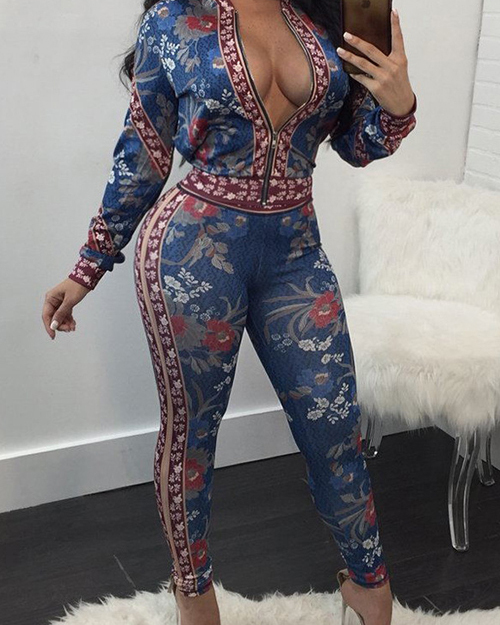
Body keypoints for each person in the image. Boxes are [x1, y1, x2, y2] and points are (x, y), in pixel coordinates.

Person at [42, 1, 417, 624]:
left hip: (296, 254)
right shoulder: (173, 19)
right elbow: (143, 155)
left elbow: (355, 145)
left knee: (335, 426)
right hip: (192, 252)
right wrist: (88, 265)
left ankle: (370, 588)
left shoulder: (324, 17)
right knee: (192, 432)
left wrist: (398, 104)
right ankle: (193, 595)